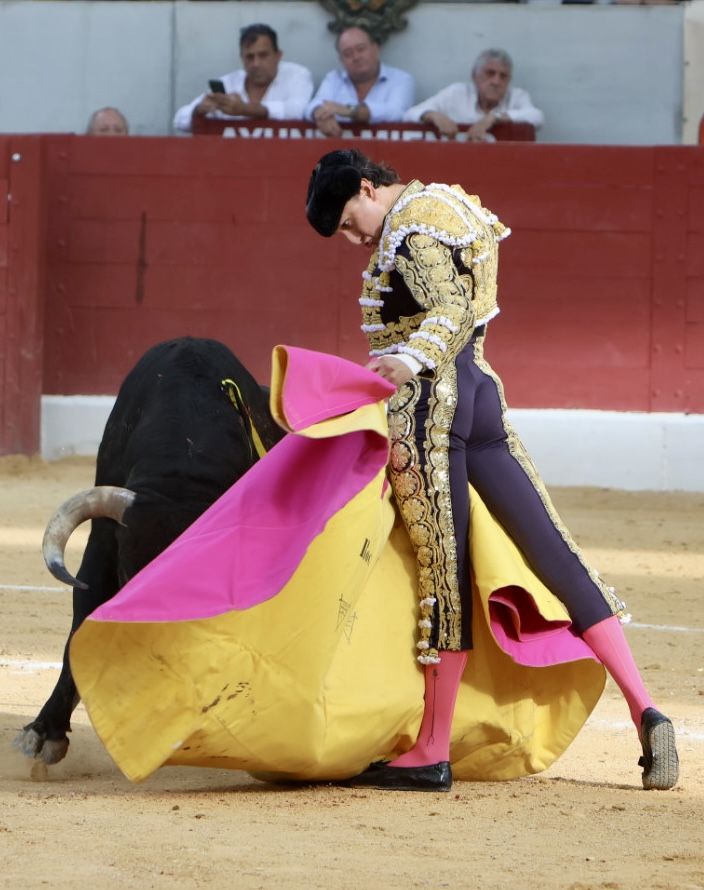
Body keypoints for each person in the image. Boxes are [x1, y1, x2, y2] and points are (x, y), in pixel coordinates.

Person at [304, 148, 679, 792]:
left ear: (367, 188)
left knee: (444, 572)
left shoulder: (410, 230)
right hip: (483, 393)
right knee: (555, 554)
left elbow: (444, 311)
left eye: (346, 220)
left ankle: (431, 749)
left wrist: (409, 362)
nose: (351, 237)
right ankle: (647, 707)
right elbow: (468, 313)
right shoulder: (449, 202)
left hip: (431, 410)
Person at [173, 23, 314, 134]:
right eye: (249, 57)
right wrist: (199, 110)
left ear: (278, 55)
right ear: (242, 58)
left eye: (263, 55)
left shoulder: (296, 75)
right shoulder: (229, 82)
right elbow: (179, 120)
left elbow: (299, 110)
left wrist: (245, 109)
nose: (256, 64)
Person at [403, 48, 544, 142]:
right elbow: (409, 114)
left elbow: (537, 117)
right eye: (490, 73)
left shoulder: (516, 96)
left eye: (503, 76)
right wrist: (434, 115)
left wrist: (495, 117)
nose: (496, 81)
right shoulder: (456, 93)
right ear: (474, 76)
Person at [306, 26, 415, 138]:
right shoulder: (334, 79)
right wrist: (320, 115)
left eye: (361, 49)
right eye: (348, 54)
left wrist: (351, 110)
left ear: (376, 48)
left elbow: (397, 112)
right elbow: (314, 105)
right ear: (341, 60)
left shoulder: (400, 79)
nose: (356, 57)